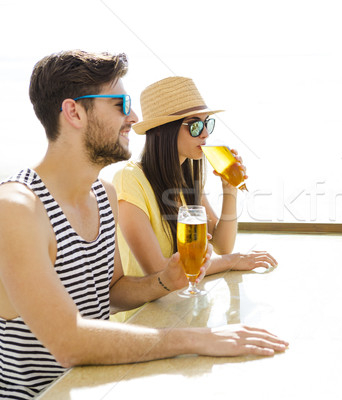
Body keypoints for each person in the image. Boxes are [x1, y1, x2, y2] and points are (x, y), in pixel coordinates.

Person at [0, 50, 287, 399]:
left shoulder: (103, 195)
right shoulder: (16, 208)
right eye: (120, 103)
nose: (133, 117)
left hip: (98, 386)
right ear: (73, 112)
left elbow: (114, 292)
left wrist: (165, 280)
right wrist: (198, 339)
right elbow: (68, 342)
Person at [111, 76, 277, 322]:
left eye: (207, 124)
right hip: (143, 320)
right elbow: (160, 271)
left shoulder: (187, 177)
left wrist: (229, 189)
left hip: (179, 310)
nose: (205, 134)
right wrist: (232, 261)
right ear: (161, 132)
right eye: (195, 126)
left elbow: (223, 244)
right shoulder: (129, 179)